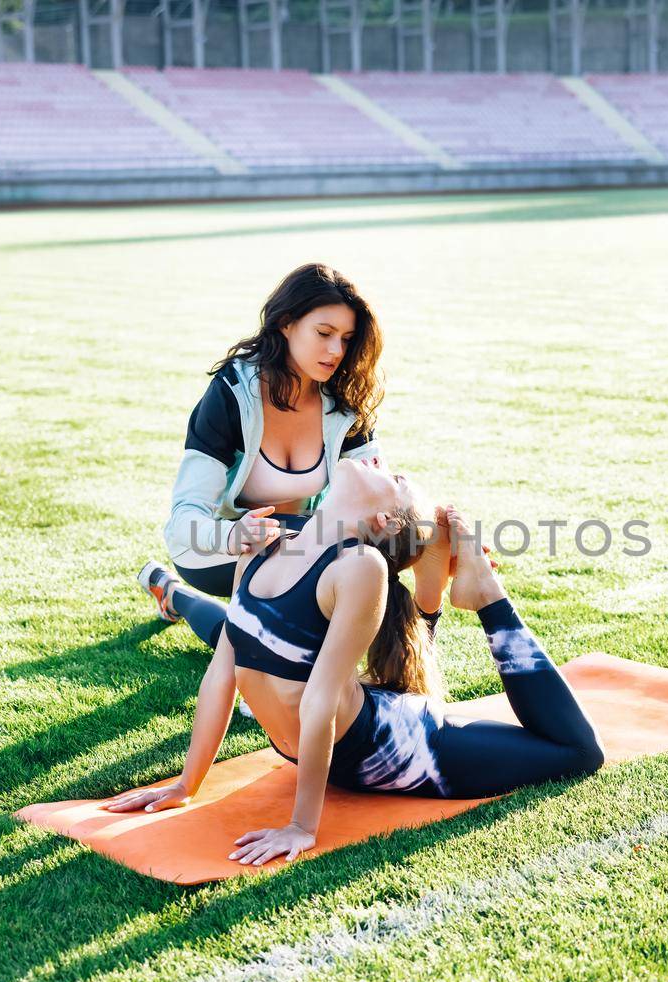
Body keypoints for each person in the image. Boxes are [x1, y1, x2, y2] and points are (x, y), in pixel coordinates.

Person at [104, 459, 607, 868]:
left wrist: (302, 826)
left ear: (382, 522)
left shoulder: (361, 566)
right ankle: (175, 594)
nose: (376, 460)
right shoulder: (270, 533)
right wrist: (185, 784)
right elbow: (223, 670)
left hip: (390, 745)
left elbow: (320, 700)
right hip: (317, 743)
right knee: (236, 631)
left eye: (394, 478)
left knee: (578, 753)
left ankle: (485, 595)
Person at [136, 262, 448, 652]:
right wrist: (234, 534)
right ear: (286, 323)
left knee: (394, 545)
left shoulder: (343, 401)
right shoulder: (232, 396)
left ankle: (421, 650)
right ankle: (179, 593)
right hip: (219, 550)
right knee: (268, 639)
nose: (336, 351)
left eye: (347, 339)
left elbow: (382, 498)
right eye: (324, 333)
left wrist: (438, 525)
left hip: (305, 547)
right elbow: (183, 522)